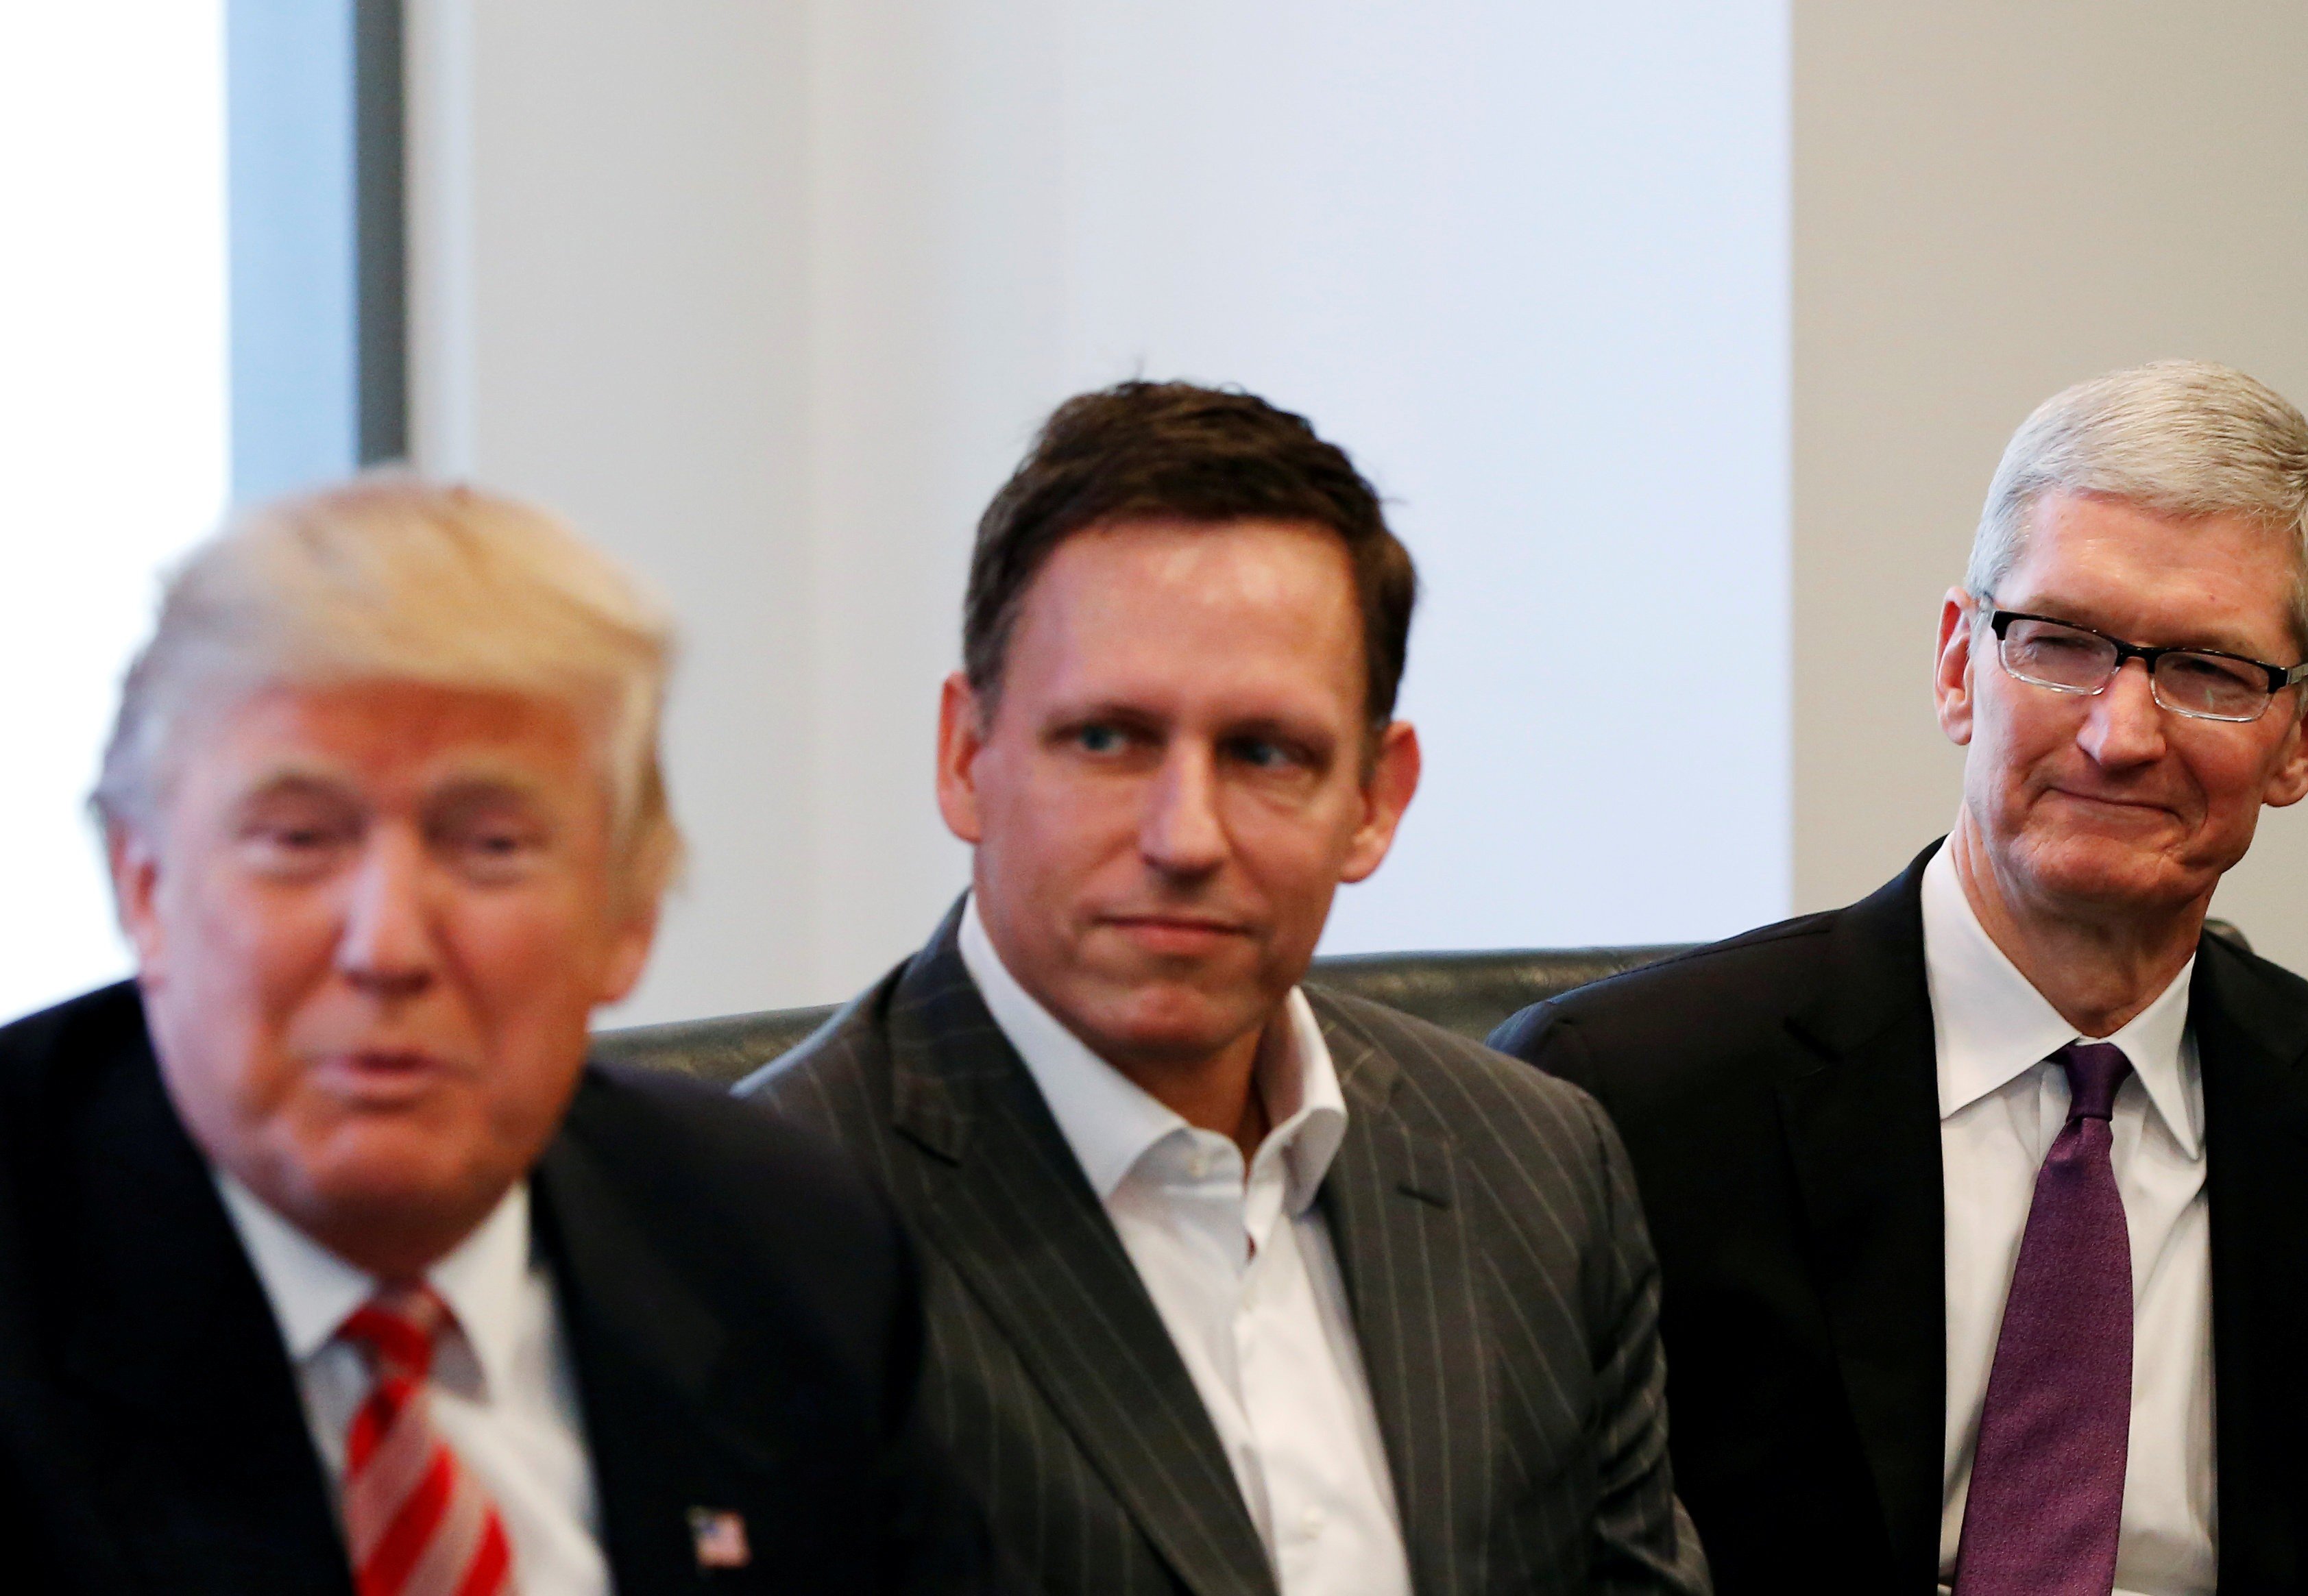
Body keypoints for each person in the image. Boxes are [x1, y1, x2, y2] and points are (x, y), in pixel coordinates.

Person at [742, 381, 1708, 1596]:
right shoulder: (751, 1232)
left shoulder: (1535, 1166)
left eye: (1265, 752)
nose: (1183, 834)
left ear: (1372, 798)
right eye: (1106, 739)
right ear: (964, 757)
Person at [1494, 359, 2308, 1595]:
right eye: (2060, 643)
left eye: (2206, 671)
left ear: (2307, 734)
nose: (2118, 733)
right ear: (1957, 664)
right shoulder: (1616, 1104)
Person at [0, 477, 993, 1594]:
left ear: (629, 913)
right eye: (298, 838)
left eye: (489, 845)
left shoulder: (783, 1253)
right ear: (143, 886)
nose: (387, 944)